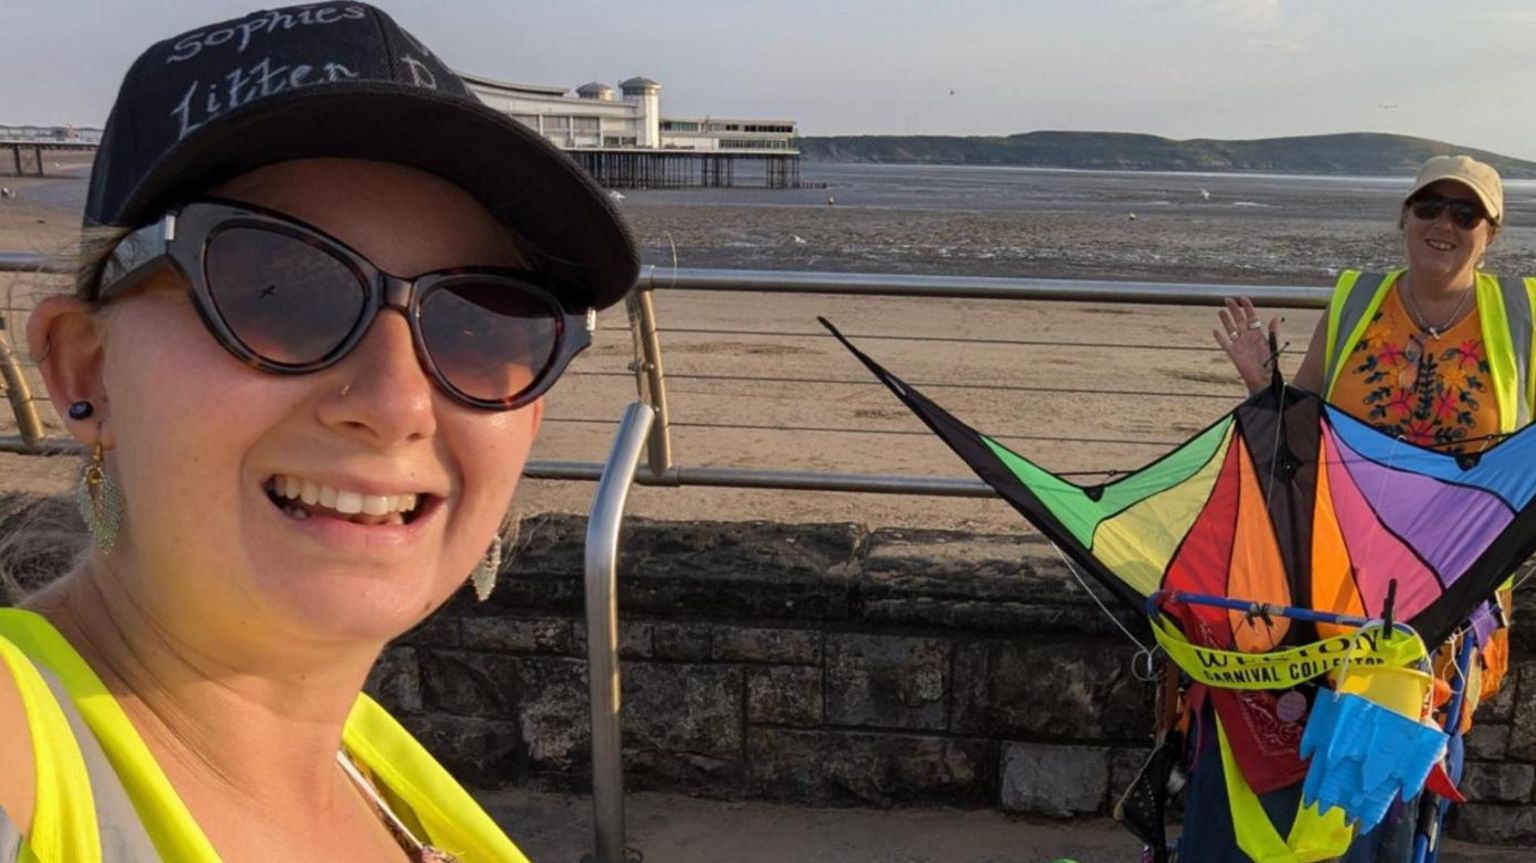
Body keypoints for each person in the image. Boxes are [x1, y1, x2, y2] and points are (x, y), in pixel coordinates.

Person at [0, 5, 637, 861]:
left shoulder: (383, 774)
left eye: (484, 322)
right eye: (279, 289)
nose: (398, 401)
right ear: (85, 371)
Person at [1184, 155, 1532, 862]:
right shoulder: (1356, 299)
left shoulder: (1524, 315)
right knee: (1303, 720)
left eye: (1465, 214)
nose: (1444, 224)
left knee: (1412, 728)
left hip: (1454, 579)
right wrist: (1263, 382)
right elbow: (1299, 427)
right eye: (1429, 207)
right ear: (1403, 216)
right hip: (1336, 567)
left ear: (1491, 235)